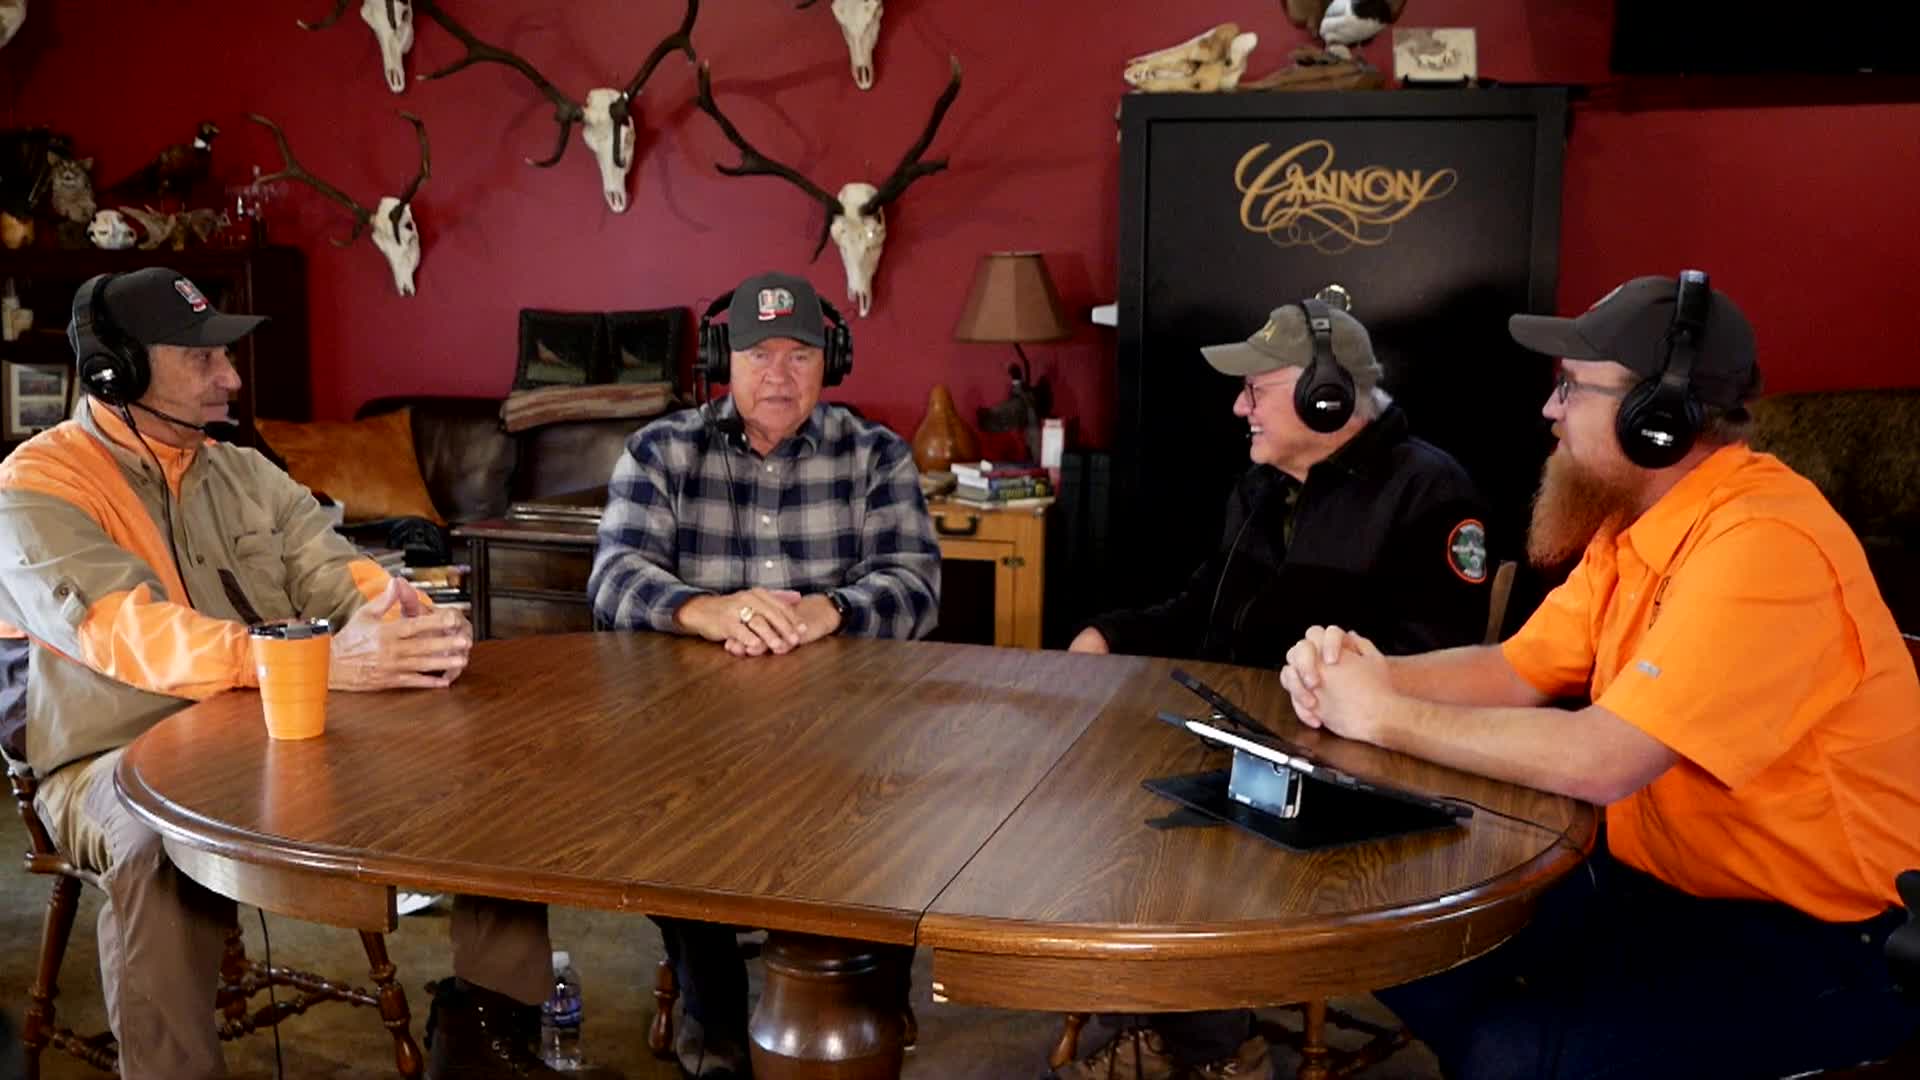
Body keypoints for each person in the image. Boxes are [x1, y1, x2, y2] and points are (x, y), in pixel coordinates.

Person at [1279, 273, 1920, 1079]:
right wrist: (1367, 674)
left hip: (1827, 937)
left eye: (1573, 388)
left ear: (1659, 419)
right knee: (1392, 931)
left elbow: (1604, 760)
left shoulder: (1764, 544)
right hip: (1662, 889)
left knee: (1513, 1054)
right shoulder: (1639, 524)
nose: (1551, 409)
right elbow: (1513, 670)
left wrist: (1381, 717)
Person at [0, 268, 569, 1079]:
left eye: (226, 356)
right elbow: (128, 633)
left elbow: (334, 571)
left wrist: (400, 620)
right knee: (157, 841)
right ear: (116, 372)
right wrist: (317, 662)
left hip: (280, 725)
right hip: (111, 759)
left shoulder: (246, 472)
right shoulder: (36, 484)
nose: (230, 378)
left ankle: (486, 1033)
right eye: (202, 358)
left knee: (490, 757)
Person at [1058, 298, 1492, 1080]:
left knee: (1184, 836)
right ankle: (1168, 1019)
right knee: (1104, 796)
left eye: (1255, 389)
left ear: (1327, 396)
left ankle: (1211, 1045)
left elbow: (1437, 665)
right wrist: (1110, 633)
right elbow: (1202, 604)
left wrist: (1324, 700)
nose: (1239, 408)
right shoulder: (1261, 488)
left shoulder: (1431, 491)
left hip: (1353, 771)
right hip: (1245, 741)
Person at [589, 270, 940, 1076]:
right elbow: (612, 579)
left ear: (830, 362)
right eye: (758, 355)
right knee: (669, 821)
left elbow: (917, 586)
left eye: (799, 355)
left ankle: (868, 995)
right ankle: (715, 1022)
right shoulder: (660, 451)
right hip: (698, 732)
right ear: (724, 361)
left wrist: (832, 611)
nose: (779, 376)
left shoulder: (878, 455)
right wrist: (701, 610)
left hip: (847, 733)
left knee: (885, 819)